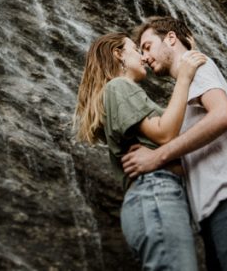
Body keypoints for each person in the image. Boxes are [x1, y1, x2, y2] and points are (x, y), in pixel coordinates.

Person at [121, 16, 227, 271]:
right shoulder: (188, 84)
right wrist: (156, 161)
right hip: (214, 213)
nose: (145, 57)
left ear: (171, 38)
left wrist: (157, 156)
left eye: (147, 46)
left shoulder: (196, 66)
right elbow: (195, 153)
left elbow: (223, 116)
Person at [74, 32, 208, 270]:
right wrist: (184, 78)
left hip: (154, 197)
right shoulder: (118, 86)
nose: (144, 57)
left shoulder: (118, 92)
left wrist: (182, 55)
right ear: (118, 54)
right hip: (156, 193)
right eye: (137, 49)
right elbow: (165, 133)